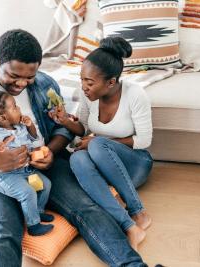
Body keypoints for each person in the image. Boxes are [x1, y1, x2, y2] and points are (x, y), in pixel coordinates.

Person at [0, 29, 147, 266]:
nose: (22, 83)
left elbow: (62, 129)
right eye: (14, 75)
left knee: (88, 209)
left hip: (43, 168)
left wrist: (50, 151)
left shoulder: (45, 84)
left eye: (29, 77)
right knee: (0, 233)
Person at [48, 37, 153, 251]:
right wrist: (66, 121)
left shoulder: (135, 95)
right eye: (82, 79)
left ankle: (138, 210)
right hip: (106, 167)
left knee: (96, 144)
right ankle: (129, 225)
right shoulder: (89, 96)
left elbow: (144, 140)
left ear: (111, 82)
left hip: (136, 164)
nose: (84, 87)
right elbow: (85, 129)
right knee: (78, 157)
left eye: (89, 82)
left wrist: (99, 141)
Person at [0, 87, 54, 236]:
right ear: (3, 118)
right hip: (5, 176)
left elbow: (34, 140)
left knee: (46, 185)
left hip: (25, 170)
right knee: (28, 192)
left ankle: (37, 212)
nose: (19, 108)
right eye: (15, 107)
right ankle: (33, 225)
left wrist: (30, 126)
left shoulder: (20, 127)